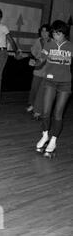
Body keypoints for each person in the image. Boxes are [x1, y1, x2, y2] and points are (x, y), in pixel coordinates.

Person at [35, 20, 72, 158]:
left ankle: (53, 141)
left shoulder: (70, 47)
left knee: (58, 114)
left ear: (63, 33)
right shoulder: (49, 44)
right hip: (50, 81)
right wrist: (35, 61)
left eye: (57, 33)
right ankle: (45, 136)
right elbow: (41, 59)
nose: (55, 35)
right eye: (54, 33)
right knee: (46, 112)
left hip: (65, 84)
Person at [26, 24, 51, 119]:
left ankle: (40, 109)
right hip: (38, 68)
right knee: (34, 88)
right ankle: (32, 105)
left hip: (47, 70)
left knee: (43, 91)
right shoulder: (38, 41)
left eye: (46, 31)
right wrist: (34, 58)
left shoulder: (52, 42)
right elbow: (33, 53)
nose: (44, 33)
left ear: (50, 32)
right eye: (42, 31)